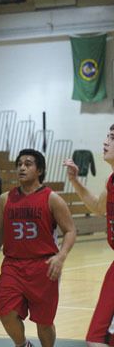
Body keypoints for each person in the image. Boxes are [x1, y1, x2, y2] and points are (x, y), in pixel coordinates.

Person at [0, 149, 76, 347]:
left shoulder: (52, 198)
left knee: (44, 323)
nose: (22, 168)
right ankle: (23, 344)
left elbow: (70, 231)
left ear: (40, 170)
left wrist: (61, 256)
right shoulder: (5, 199)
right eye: (19, 164)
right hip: (13, 265)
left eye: (28, 164)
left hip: (44, 266)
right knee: (5, 312)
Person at [64, 126, 114, 347]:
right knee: (97, 338)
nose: (105, 142)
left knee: (97, 338)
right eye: (106, 136)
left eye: (112, 138)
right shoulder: (111, 181)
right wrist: (75, 181)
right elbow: (97, 206)